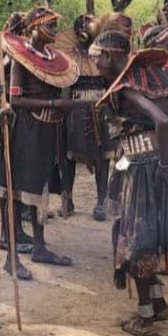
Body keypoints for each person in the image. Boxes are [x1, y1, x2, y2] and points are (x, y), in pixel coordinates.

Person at [91, 29, 168, 336]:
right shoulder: (157, 77)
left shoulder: (127, 86)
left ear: (109, 56)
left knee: (137, 239)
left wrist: (157, 162)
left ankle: (144, 317)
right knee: (156, 234)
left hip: (147, 167)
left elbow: (161, 121)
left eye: (96, 58)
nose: (94, 64)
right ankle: (158, 302)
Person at [0, 6, 80, 266]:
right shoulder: (19, 58)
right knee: (18, 190)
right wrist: (54, 105)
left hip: (48, 131)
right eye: (50, 26)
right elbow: (16, 100)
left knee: (41, 188)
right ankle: (12, 257)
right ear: (34, 28)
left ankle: (39, 247)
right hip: (26, 131)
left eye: (56, 26)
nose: (55, 31)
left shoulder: (52, 57)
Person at [54, 14, 110, 221]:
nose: (88, 31)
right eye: (85, 27)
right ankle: (67, 199)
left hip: (102, 108)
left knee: (103, 156)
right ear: (77, 32)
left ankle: (101, 202)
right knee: (69, 155)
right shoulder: (67, 54)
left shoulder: (104, 53)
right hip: (75, 109)